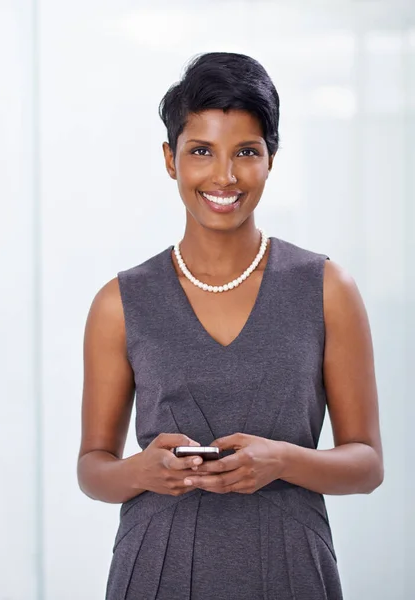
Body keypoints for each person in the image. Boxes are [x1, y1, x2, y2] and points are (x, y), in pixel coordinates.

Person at [77, 52, 383, 600]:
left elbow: (366, 464)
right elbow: (92, 468)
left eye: (246, 151)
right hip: (156, 567)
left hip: (291, 565)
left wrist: (284, 460)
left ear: (270, 160)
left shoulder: (327, 287)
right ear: (171, 160)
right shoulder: (120, 302)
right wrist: (145, 472)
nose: (225, 176)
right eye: (201, 152)